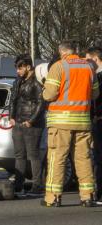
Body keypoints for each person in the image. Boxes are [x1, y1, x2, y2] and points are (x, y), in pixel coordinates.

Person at [42, 41, 99, 207]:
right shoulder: (89, 67)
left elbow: (50, 95)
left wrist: (44, 89)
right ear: (76, 51)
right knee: (84, 158)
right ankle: (87, 196)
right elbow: (95, 94)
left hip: (61, 122)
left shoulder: (59, 67)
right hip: (82, 121)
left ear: (62, 52)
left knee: (56, 158)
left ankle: (53, 197)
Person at [9, 54, 45, 195]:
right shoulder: (17, 81)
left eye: (20, 68)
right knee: (19, 155)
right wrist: (10, 116)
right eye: (17, 68)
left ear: (28, 67)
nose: (17, 71)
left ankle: (37, 185)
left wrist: (32, 120)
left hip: (32, 124)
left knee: (33, 155)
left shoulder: (37, 82)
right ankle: (19, 185)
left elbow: (41, 103)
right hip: (17, 122)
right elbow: (12, 100)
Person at [85, 46, 102, 203]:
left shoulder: (97, 77)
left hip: (99, 121)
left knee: (98, 158)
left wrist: (96, 115)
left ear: (95, 60)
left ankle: (99, 193)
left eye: (88, 60)